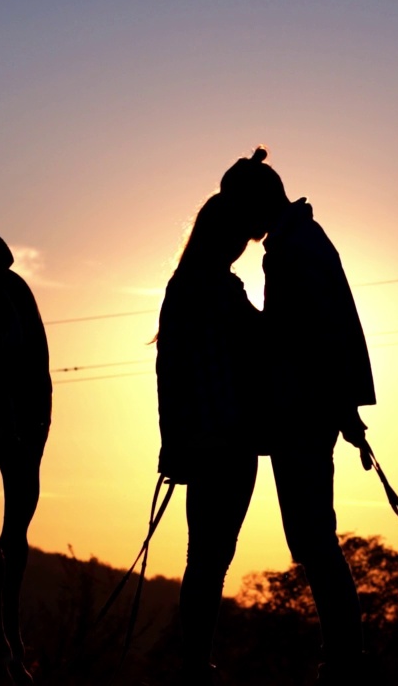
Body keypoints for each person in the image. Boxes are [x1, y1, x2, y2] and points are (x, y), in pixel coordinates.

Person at [219, 146, 376, 683]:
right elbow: (330, 330)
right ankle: (343, 658)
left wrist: (239, 314)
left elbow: (299, 337)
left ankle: (343, 662)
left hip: (302, 413)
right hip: (314, 409)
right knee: (315, 539)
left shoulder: (290, 250)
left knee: (314, 539)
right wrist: (349, 410)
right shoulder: (304, 238)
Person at [155, 192, 262, 685]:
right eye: (238, 235)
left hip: (204, 439)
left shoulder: (187, 285)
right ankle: (196, 665)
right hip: (226, 437)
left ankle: (195, 662)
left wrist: (173, 441)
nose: (243, 244)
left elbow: (168, 370)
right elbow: (258, 342)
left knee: (204, 558)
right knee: (210, 560)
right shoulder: (217, 288)